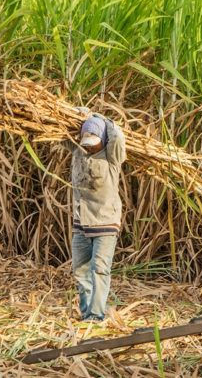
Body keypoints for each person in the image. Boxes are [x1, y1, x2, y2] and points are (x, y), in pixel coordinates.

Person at [64, 112, 126, 321]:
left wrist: (104, 120)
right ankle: (86, 312)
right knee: (80, 271)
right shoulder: (78, 153)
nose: (90, 146)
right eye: (87, 142)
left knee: (99, 270)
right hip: (81, 224)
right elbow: (61, 133)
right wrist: (75, 116)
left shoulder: (111, 158)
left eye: (94, 142)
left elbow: (117, 137)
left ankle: (97, 315)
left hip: (105, 223)